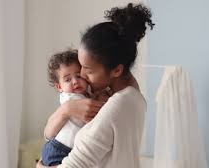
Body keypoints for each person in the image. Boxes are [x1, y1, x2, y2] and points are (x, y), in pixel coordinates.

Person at [37, 3, 154, 168]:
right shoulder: (134, 95)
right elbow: (48, 135)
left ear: (116, 70)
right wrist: (66, 109)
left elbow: (76, 164)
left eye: (88, 70)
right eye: (81, 66)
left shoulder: (115, 106)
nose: (82, 76)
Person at [41, 49, 110, 166]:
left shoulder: (84, 93)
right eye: (67, 79)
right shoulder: (70, 98)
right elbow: (93, 110)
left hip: (68, 149)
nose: (75, 82)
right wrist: (102, 96)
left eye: (78, 76)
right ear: (59, 87)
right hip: (59, 150)